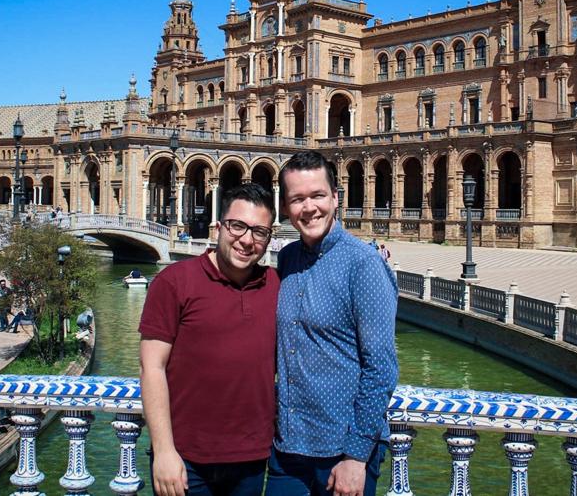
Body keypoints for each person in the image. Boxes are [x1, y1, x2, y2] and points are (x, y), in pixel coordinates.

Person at [270, 151, 398, 496]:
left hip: (341, 451)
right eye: (297, 199)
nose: (309, 208)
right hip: (287, 447)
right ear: (285, 207)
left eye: (317, 196)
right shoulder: (288, 258)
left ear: (336, 198)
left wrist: (355, 456)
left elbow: (382, 368)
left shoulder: (364, 264)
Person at [139, 182, 278, 496]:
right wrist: (163, 451)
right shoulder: (173, 282)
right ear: (219, 228)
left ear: (269, 238)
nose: (247, 240)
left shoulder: (275, 286)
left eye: (259, 232)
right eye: (237, 226)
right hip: (185, 461)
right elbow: (152, 368)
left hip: (252, 460)